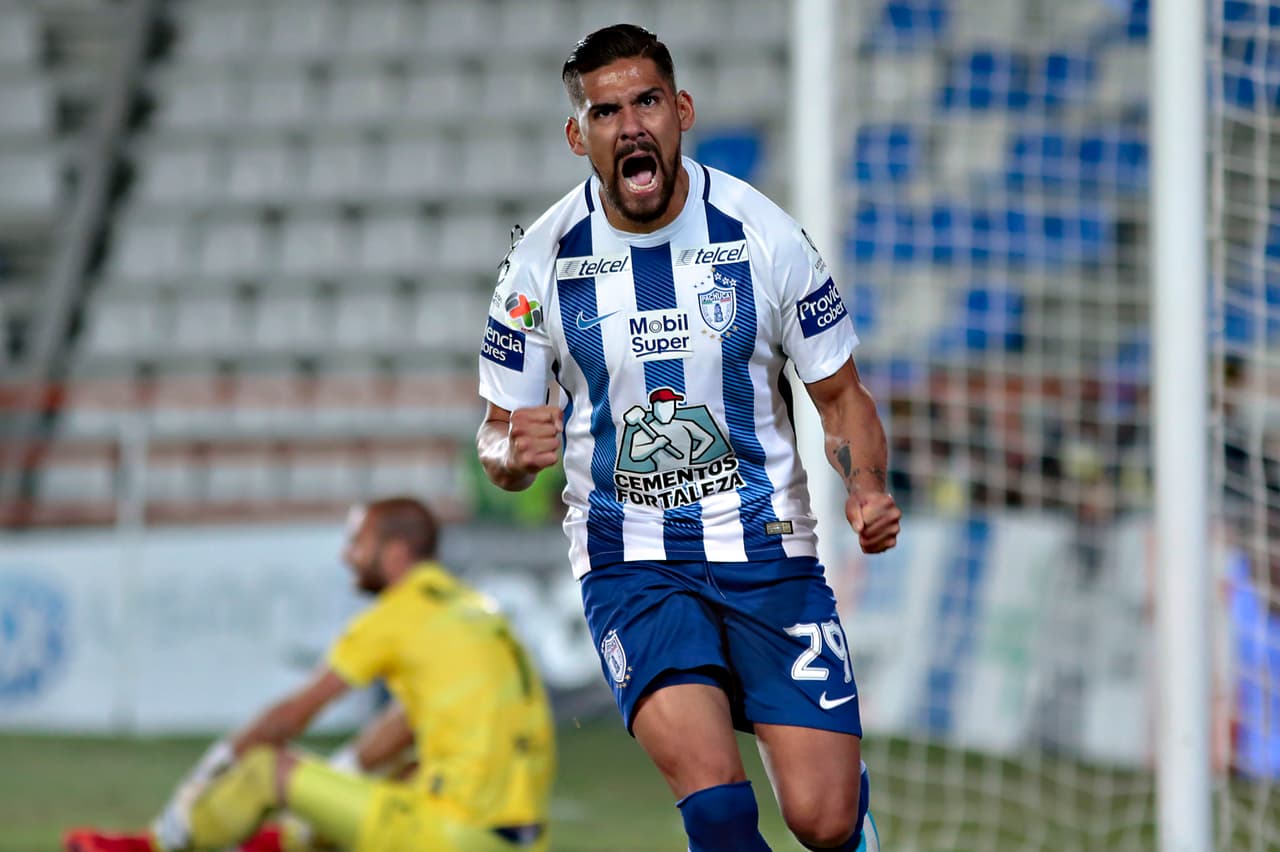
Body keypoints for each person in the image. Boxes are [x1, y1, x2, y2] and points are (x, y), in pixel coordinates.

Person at [476, 24, 899, 852]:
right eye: (605, 112)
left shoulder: (763, 235)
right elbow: (496, 439)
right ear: (578, 135)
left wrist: (868, 486)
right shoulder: (537, 265)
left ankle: (850, 811)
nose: (630, 124)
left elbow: (841, 395)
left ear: (682, 112)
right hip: (630, 565)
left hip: (770, 548)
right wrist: (510, 455)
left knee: (824, 819)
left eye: (647, 102)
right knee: (716, 806)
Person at [64, 497, 556, 852]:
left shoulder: (397, 614)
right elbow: (405, 724)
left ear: (395, 552)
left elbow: (292, 716)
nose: (347, 556)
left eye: (358, 542)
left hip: (451, 834)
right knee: (371, 793)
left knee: (263, 768)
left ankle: (153, 844)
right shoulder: (473, 608)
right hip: (522, 835)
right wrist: (340, 775)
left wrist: (214, 768)